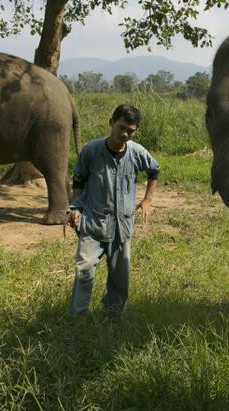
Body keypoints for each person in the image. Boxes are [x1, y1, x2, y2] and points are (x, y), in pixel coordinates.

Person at [66, 104, 160, 316]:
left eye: (131, 131)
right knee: (85, 269)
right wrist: (75, 209)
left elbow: (155, 170)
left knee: (120, 274)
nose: (125, 134)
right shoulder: (91, 151)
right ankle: (78, 316)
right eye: (122, 127)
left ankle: (114, 314)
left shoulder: (137, 153)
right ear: (111, 123)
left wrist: (148, 200)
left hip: (122, 226)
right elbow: (79, 181)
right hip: (93, 222)